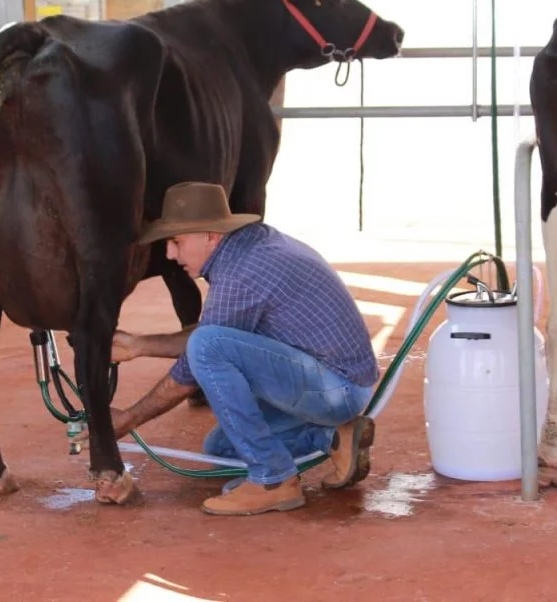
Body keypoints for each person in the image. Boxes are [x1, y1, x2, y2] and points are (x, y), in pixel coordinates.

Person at [107, 181, 379, 516]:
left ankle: (273, 481)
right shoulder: (249, 246)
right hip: (329, 380)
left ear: (211, 235)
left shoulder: (242, 271)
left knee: (208, 348)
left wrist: (128, 419)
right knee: (219, 447)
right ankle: (334, 436)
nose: (170, 254)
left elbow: (198, 359)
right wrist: (138, 345)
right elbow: (219, 329)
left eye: (177, 242)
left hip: (336, 388)